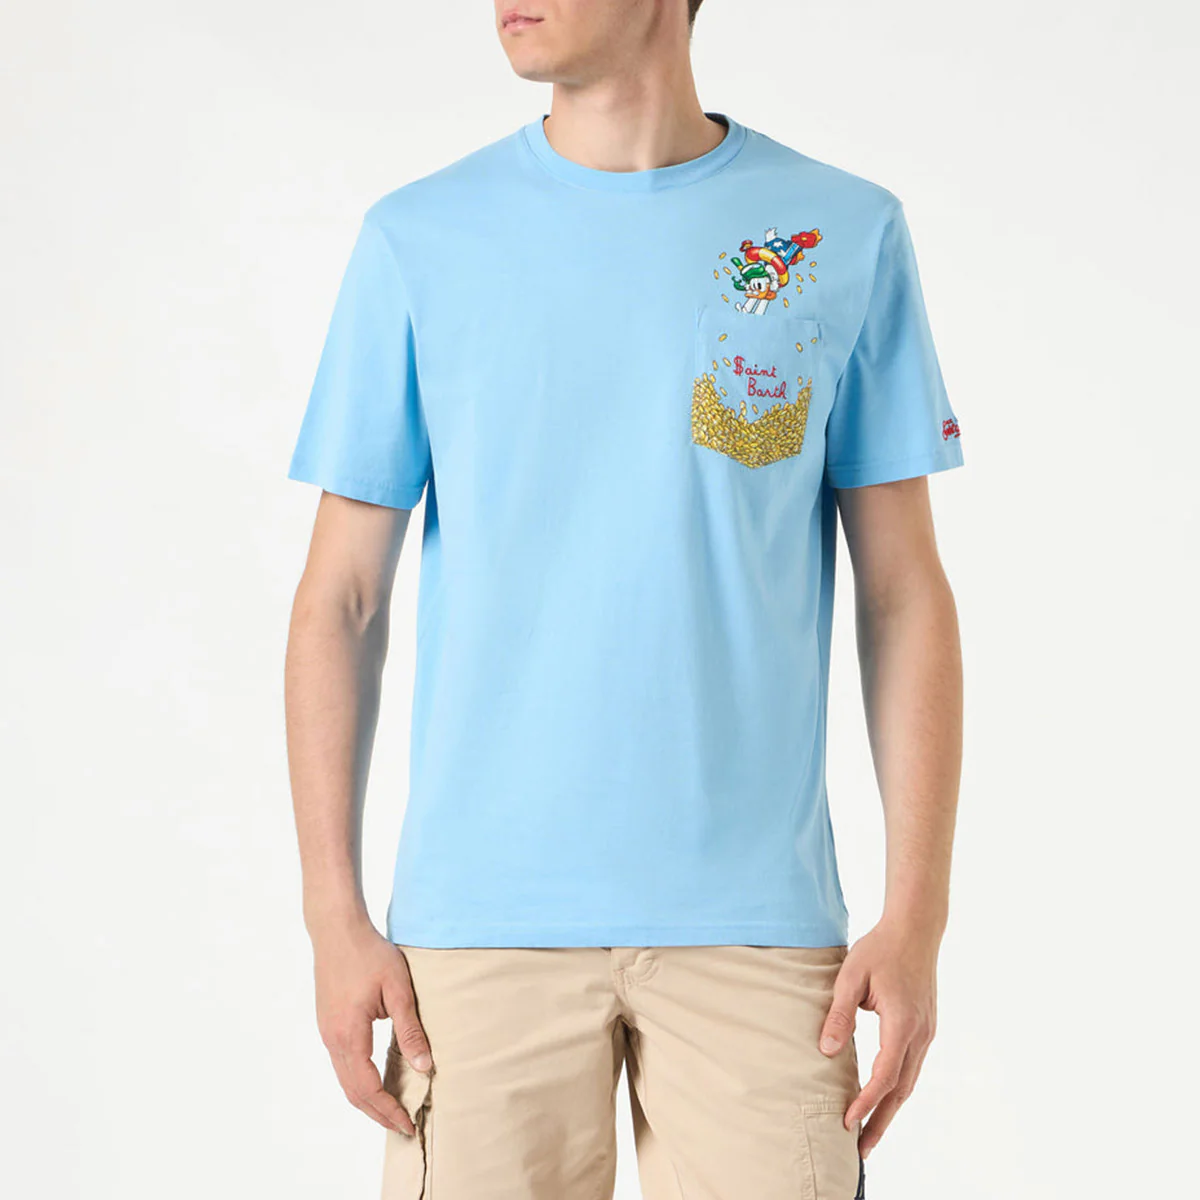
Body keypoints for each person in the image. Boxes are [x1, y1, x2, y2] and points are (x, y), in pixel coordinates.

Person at [284, 2, 964, 1196]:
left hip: (761, 935)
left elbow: (903, 595)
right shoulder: (421, 239)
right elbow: (340, 598)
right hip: (478, 936)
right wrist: (332, 917)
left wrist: (917, 920)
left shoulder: (842, 233)